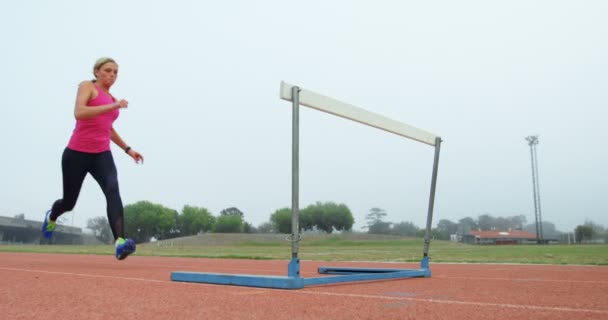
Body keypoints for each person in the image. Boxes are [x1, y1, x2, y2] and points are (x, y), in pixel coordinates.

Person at [42, 57, 143, 260]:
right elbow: (79, 112)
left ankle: (120, 243)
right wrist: (113, 105)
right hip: (76, 154)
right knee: (69, 203)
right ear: (97, 71)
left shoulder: (111, 98)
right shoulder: (87, 86)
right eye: (108, 70)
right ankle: (52, 215)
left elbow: (108, 128)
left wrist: (128, 149)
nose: (112, 75)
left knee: (113, 189)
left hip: (101, 155)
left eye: (116, 72)